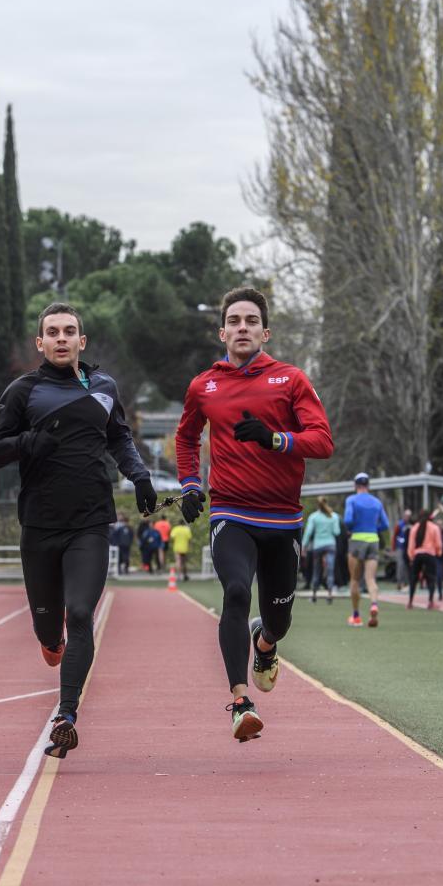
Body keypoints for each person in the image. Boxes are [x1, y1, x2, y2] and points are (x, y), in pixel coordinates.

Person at [0, 301, 156, 758]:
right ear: (40, 343)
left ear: (82, 341)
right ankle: (50, 640)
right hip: (39, 525)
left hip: (91, 522)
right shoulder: (23, 391)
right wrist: (27, 442)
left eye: (69, 331)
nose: (61, 338)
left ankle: (67, 714)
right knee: (49, 633)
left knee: (80, 613)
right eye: (52, 332)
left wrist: (140, 477)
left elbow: (119, 437)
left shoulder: (104, 387)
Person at [175, 285, 333, 742]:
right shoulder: (203, 386)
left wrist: (275, 438)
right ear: (221, 332)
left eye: (250, 321)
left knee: (278, 619)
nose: (242, 328)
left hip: (282, 519)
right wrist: (189, 484)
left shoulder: (292, 379)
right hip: (231, 512)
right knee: (237, 592)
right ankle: (241, 701)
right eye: (234, 321)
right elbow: (186, 439)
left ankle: (265, 643)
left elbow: (322, 441)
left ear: (265, 332)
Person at [344, 473, 389, 627]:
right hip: (373, 540)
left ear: (355, 485)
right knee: (370, 579)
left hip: (357, 539)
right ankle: (374, 604)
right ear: (368, 485)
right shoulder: (377, 502)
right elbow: (385, 524)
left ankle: (356, 616)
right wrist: (373, 528)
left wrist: (352, 529)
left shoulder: (351, 500)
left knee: (355, 579)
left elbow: (348, 520)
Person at [302, 497, 341, 603]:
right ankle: (329, 595)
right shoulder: (334, 516)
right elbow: (336, 532)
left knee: (316, 570)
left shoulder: (313, 517)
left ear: (317, 505)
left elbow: (308, 533)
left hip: (318, 546)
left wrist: (304, 546)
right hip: (330, 545)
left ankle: (314, 595)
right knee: (330, 570)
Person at [406, 509, 442, 609]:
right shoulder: (434, 528)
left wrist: (411, 556)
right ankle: (431, 602)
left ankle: (410, 601)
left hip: (417, 554)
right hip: (430, 554)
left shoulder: (414, 528)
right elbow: (438, 543)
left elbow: (411, 545)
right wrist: (438, 553)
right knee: (431, 578)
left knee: (413, 578)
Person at [391, 508, 412, 591]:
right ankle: (399, 582)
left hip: (408, 548)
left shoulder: (411, 525)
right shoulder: (399, 525)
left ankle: (407, 582)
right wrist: (393, 547)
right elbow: (394, 536)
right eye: (406, 516)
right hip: (400, 547)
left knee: (407, 566)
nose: (407, 517)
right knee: (400, 565)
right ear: (404, 516)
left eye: (409, 516)